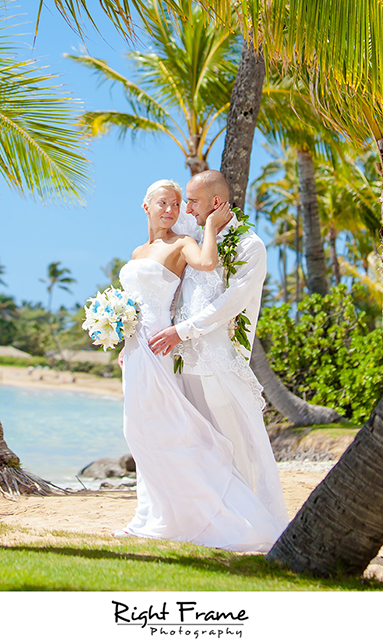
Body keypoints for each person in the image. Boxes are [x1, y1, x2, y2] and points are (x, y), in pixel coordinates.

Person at [117, 178, 287, 550]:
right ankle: (161, 515)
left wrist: (182, 330)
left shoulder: (247, 245)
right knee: (160, 435)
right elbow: (169, 295)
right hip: (173, 357)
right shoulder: (176, 238)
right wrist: (126, 333)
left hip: (216, 361)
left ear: (213, 202)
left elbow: (231, 300)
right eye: (174, 203)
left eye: (187, 202)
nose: (181, 210)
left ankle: (246, 519)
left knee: (230, 443)